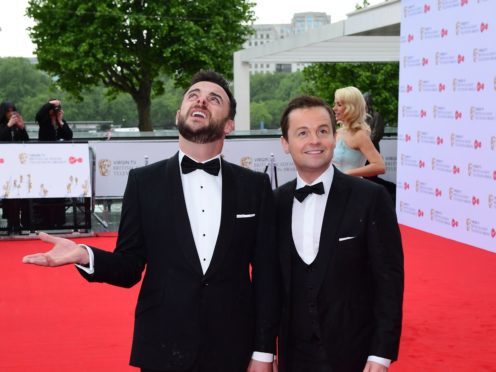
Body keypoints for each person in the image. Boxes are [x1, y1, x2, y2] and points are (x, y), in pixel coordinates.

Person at [23, 71, 280, 372]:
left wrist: (264, 352)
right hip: (163, 344)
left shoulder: (255, 186)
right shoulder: (144, 182)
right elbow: (130, 265)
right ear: (178, 114)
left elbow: (267, 276)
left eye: (214, 99)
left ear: (229, 124)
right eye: (193, 95)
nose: (201, 100)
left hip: (233, 348)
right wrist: (85, 254)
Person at [275, 95, 404, 372]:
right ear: (285, 143)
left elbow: (389, 282)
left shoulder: (370, 198)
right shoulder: (274, 203)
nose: (314, 140)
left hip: (354, 355)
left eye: (323, 131)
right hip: (292, 356)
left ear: (335, 137)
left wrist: (380, 354)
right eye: (302, 133)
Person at [33, 99, 73, 228]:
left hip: (60, 163)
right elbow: (39, 115)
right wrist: (51, 104)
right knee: (46, 191)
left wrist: (60, 121)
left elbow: (68, 135)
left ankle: (59, 219)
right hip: (45, 162)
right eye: (52, 109)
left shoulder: (60, 122)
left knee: (59, 191)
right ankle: (45, 220)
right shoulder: (44, 122)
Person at [332, 86, 385, 177]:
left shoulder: (359, 135)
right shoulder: (337, 132)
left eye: (339, 105)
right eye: (335, 104)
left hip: (351, 188)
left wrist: (346, 174)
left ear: (351, 108)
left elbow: (380, 166)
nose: (334, 108)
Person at [0, 101, 30, 234]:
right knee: (8, 195)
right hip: (3, 165)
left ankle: (20, 223)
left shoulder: (16, 127)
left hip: (18, 165)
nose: (11, 114)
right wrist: (8, 125)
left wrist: (22, 127)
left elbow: (26, 142)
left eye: (13, 111)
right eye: (8, 111)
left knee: (19, 194)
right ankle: (10, 222)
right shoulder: (4, 125)